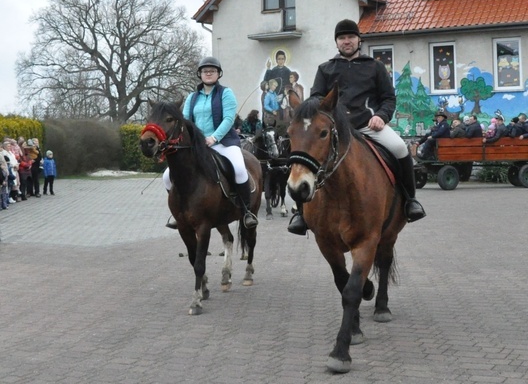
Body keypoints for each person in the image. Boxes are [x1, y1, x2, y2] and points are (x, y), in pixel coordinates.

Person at [287, 19, 426, 235]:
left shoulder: (375, 66)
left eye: (350, 37)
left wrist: (381, 116)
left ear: (359, 40)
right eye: (342, 38)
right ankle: (300, 212)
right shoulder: (325, 69)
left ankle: (410, 201)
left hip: (367, 125)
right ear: (336, 43)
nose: (346, 41)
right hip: (335, 132)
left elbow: (388, 98)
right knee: (307, 158)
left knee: (400, 148)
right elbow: (316, 100)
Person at [164, 56, 258, 230]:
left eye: (212, 71)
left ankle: (246, 211)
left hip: (223, 142)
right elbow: (185, 121)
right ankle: (179, 212)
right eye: (205, 71)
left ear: (218, 74)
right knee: (166, 177)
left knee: (238, 169)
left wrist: (214, 137)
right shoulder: (192, 97)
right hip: (197, 146)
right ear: (200, 74)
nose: (208, 73)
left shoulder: (226, 93)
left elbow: (229, 118)